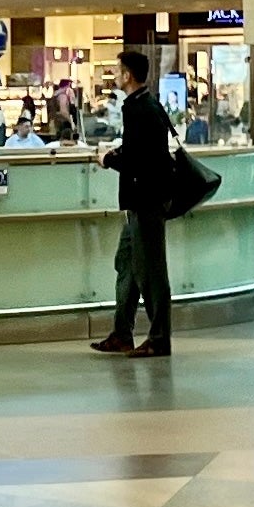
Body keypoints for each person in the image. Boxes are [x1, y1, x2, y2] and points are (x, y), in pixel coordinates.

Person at [90, 46, 175, 356]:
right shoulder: (143, 106)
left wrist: (109, 159)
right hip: (141, 200)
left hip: (146, 200)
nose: (114, 74)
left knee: (151, 271)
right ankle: (122, 332)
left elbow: (141, 160)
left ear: (127, 75)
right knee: (127, 263)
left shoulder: (140, 109)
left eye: (117, 69)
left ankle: (159, 339)